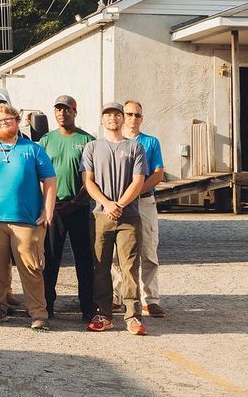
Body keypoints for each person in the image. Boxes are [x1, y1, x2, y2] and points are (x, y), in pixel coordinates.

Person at [0, 103, 57, 330]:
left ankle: (38, 312)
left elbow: (50, 180)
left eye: (8, 120)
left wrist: (48, 210)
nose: (4, 124)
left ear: (16, 121)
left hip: (27, 221)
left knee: (32, 267)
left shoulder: (33, 149)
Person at [83, 102, 147, 335]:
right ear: (102, 120)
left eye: (117, 115)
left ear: (123, 119)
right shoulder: (92, 147)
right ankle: (104, 314)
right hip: (101, 215)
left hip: (128, 216)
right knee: (100, 266)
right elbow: (88, 181)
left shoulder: (135, 148)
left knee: (129, 266)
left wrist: (119, 204)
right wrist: (107, 203)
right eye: (108, 115)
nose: (113, 118)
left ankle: (133, 316)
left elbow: (138, 180)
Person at [38, 95, 96, 323]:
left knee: (84, 258)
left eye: (67, 110)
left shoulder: (87, 140)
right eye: (59, 110)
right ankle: (47, 305)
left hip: (79, 205)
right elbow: (38, 174)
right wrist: (46, 204)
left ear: (75, 112)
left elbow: (93, 177)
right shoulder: (45, 141)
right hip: (53, 206)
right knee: (51, 258)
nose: (63, 113)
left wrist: (76, 201)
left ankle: (88, 307)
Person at [116, 100, 166, 319]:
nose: (133, 119)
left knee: (148, 251)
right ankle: (116, 297)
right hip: (118, 202)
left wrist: (135, 192)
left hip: (144, 201)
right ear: (122, 116)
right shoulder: (115, 142)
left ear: (142, 118)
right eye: (129, 114)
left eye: (137, 115)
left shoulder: (150, 142)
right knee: (118, 253)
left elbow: (157, 173)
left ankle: (151, 299)